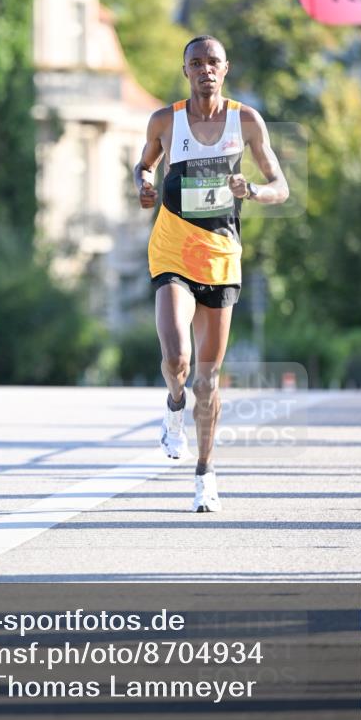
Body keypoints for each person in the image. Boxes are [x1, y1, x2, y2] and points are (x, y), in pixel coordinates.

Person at [134, 35, 289, 512]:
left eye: (213, 62)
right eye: (196, 62)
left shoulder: (246, 121)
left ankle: (206, 473)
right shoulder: (166, 120)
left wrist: (253, 191)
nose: (205, 69)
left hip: (221, 255)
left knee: (209, 377)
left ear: (226, 69)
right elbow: (144, 166)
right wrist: (143, 183)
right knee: (177, 356)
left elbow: (280, 186)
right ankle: (173, 402)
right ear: (185, 71)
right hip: (173, 249)